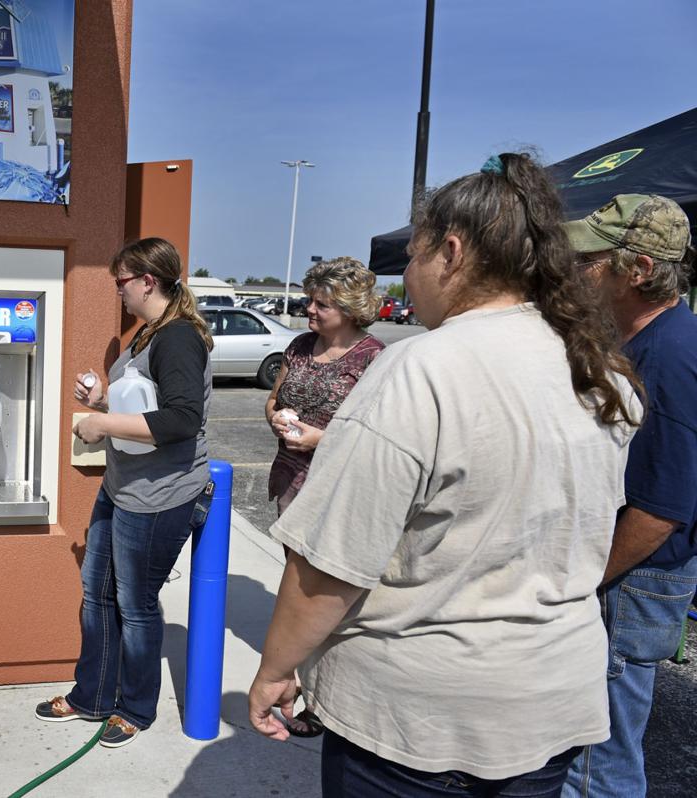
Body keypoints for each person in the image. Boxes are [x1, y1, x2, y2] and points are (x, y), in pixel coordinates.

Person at [246, 153, 643, 797]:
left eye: (413, 256)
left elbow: (330, 565)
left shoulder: (419, 368)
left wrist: (275, 669)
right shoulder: (598, 371)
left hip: (419, 718)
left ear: (451, 252)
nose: (406, 274)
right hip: (549, 701)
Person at [35, 237, 213, 748]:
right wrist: (104, 398)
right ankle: (92, 694)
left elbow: (181, 419)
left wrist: (102, 422)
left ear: (147, 282)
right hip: (123, 487)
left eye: (122, 282)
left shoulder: (178, 337)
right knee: (97, 594)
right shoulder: (149, 333)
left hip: (159, 496)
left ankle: (135, 707)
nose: (118, 290)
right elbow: (149, 400)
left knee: (135, 606)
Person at [560, 195, 697, 798]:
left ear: (636, 270)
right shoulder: (650, 341)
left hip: (630, 580)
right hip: (630, 575)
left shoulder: (668, 356)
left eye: (590, 258)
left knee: (598, 763)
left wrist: (583, 581)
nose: (576, 270)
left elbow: (661, 509)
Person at [265, 257, 385, 517]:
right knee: (290, 557)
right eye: (309, 300)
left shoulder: (373, 358)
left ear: (350, 310)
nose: (309, 309)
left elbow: (381, 434)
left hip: (338, 485)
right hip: (290, 478)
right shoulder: (299, 346)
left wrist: (321, 440)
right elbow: (273, 399)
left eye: (321, 305)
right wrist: (275, 418)